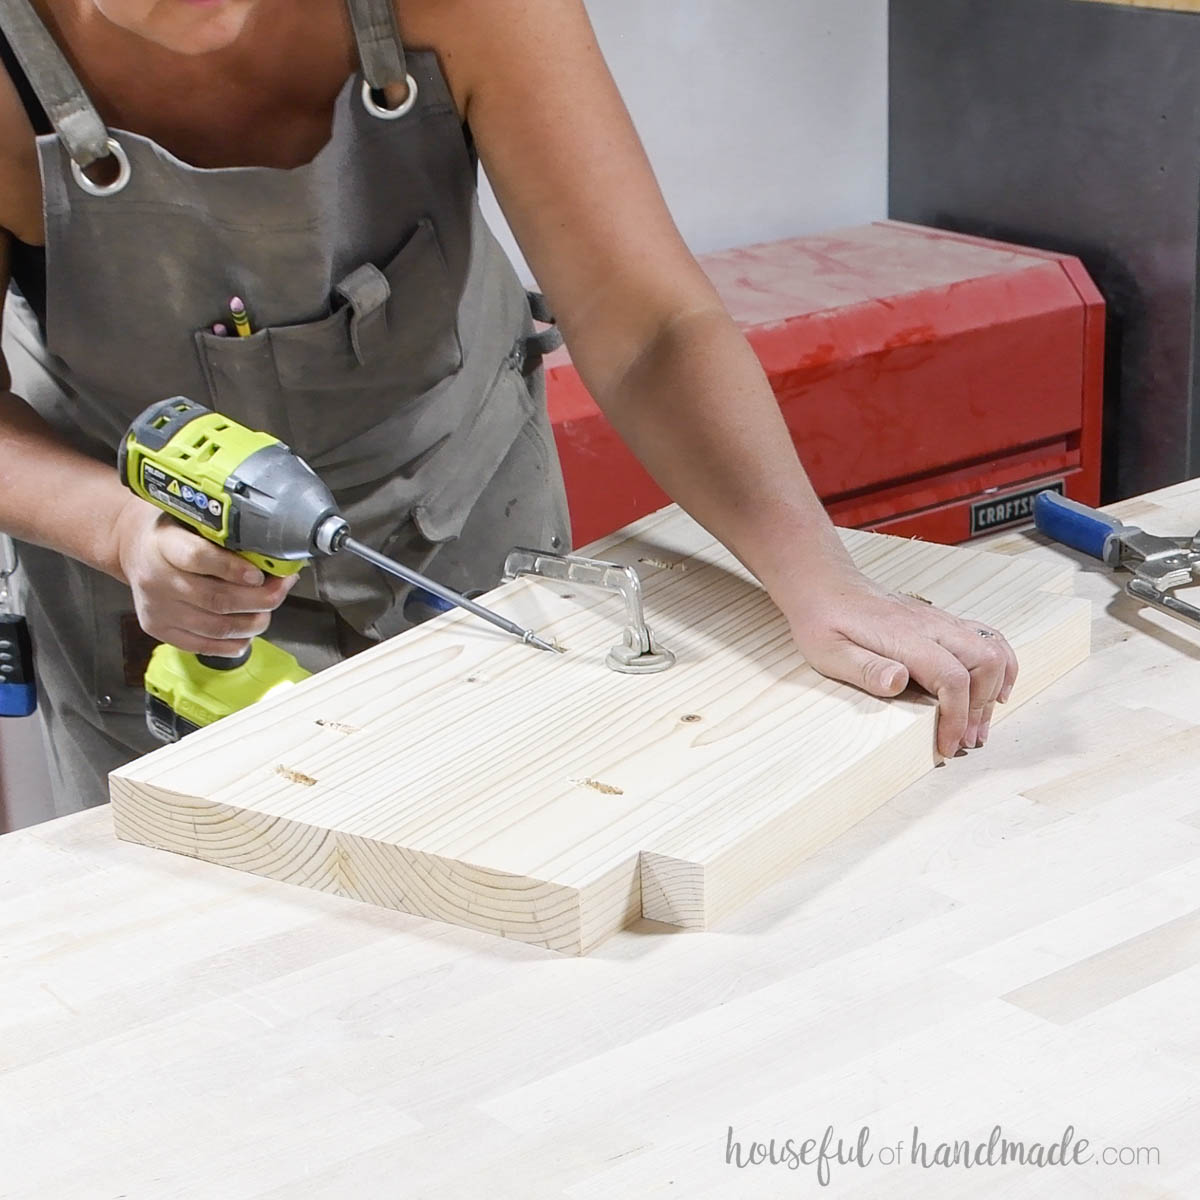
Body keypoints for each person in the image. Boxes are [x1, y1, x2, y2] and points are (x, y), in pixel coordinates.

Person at [0, 0, 1017, 816]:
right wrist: (126, 531)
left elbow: (647, 322)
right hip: (144, 571)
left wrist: (819, 578)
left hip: (457, 516)